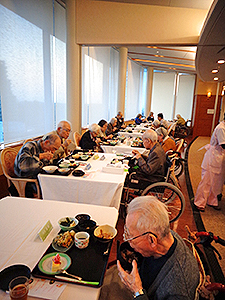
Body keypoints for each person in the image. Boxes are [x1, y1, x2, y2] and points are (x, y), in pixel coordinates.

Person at [115, 196, 200, 300]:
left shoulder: (178, 288)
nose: (128, 241)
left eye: (130, 236)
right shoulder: (166, 234)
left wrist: (137, 291)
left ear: (151, 240)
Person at [194, 116, 225, 211]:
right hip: (213, 156)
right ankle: (199, 202)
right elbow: (223, 144)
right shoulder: (221, 128)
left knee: (216, 182)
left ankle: (212, 201)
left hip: (219, 157)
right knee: (206, 181)